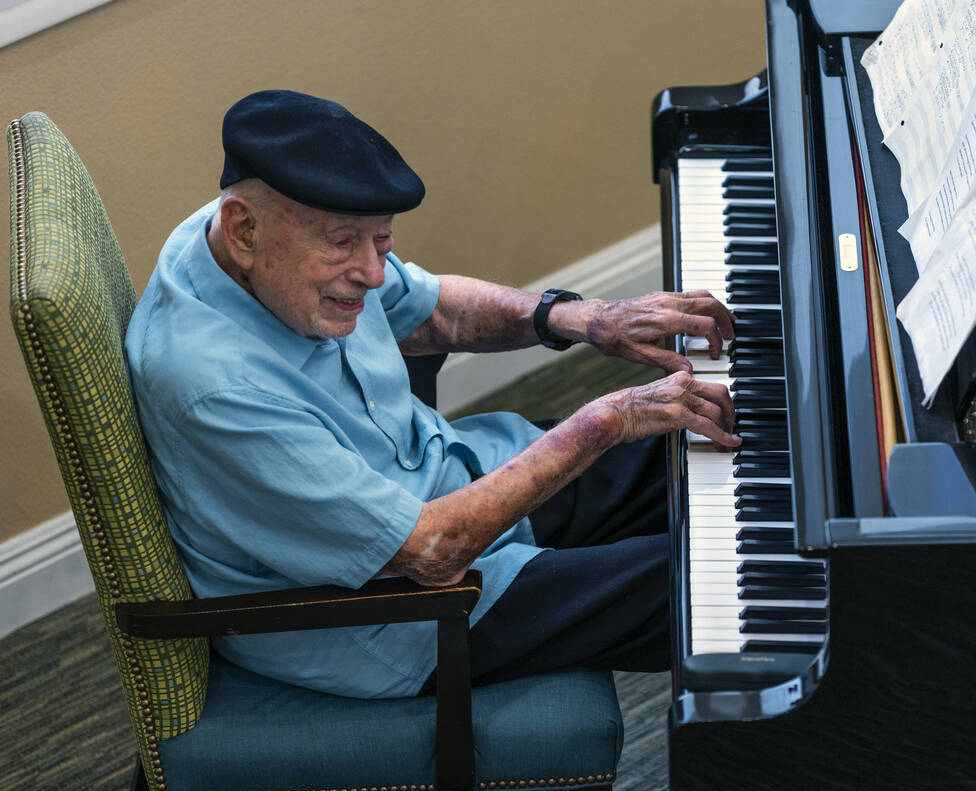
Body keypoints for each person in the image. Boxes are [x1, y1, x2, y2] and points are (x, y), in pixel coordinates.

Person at [125, 89, 740, 699]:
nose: (371, 272)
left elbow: (429, 312)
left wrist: (580, 318)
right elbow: (431, 551)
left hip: (454, 480)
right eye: (343, 243)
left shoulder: (251, 230)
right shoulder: (215, 387)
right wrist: (605, 420)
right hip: (392, 612)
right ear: (242, 230)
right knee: (734, 582)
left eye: (382, 241)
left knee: (738, 449)